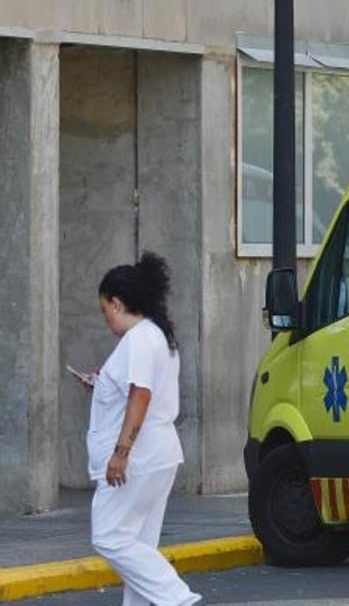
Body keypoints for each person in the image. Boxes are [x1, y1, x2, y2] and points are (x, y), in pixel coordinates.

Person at [86, 252, 201, 606]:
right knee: (139, 545)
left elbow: (141, 395)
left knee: (109, 537)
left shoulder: (138, 338)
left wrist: (121, 453)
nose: (106, 318)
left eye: (105, 309)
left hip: (138, 458)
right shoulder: (158, 336)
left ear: (117, 304)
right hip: (159, 453)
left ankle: (179, 598)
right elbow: (136, 390)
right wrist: (101, 385)